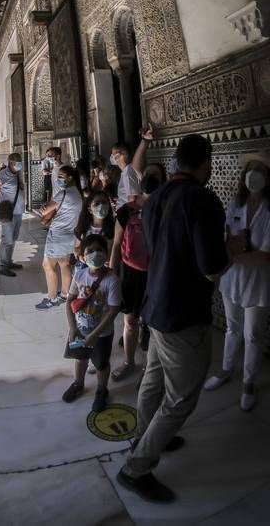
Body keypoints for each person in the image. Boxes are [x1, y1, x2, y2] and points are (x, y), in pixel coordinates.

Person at [117, 134, 229, 504]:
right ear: (205, 163)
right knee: (181, 398)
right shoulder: (202, 200)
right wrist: (235, 250)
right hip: (183, 312)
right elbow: (211, 268)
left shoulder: (155, 198)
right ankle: (137, 467)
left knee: (154, 379)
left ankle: (145, 435)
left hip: (156, 304)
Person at [204, 150, 270, 411]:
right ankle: (226, 369)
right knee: (233, 328)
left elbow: (265, 256)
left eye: (262, 171)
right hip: (232, 281)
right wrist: (230, 253)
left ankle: (248, 382)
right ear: (244, 176)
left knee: (253, 334)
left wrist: (231, 255)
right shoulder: (235, 204)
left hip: (259, 284)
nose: (255, 175)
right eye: (251, 170)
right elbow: (227, 239)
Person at [109, 166, 165, 381]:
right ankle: (129, 362)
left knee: (153, 324)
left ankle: (150, 369)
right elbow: (115, 245)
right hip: (130, 274)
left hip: (157, 275)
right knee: (130, 321)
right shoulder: (126, 210)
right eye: (147, 174)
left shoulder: (165, 209)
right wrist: (111, 277)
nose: (150, 178)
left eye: (156, 176)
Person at [62, 233, 122, 412]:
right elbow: (69, 301)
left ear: (107, 252)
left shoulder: (112, 280)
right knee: (80, 358)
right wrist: (72, 328)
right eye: (90, 250)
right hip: (79, 329)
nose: (95, 254)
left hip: (101, 334)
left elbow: (113, 310)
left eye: (100, 250)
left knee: (101, 363)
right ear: (82, 255)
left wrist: (94, 334)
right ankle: (78, 383)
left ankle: (102, 390)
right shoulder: (79, 275)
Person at [35, 165, 83, 309]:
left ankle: (51, 298)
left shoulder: (63, 194)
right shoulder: (77, 193)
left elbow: (45, 211)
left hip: (58, 234)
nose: (59, 179)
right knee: (64, 263)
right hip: (70, 234)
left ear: (70, 177)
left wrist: (44, 209)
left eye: (62, 176)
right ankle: (64, 294)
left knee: (48, 265)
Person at [0, 152, 24, 277]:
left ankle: (9, 261)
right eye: (17, 163)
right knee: (7, 240)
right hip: (7, 213)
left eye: (20, 163)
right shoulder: (2, 175)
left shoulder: (18, 173)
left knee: (13, 238)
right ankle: (3, 265)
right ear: (10, 163)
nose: (19, 166)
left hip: (18, 211)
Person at [110, 142, 141, 208]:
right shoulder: (125, 171)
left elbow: (132, 198)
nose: (112, 158)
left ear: (118, 155)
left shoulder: (128, 171)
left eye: (113, 155)